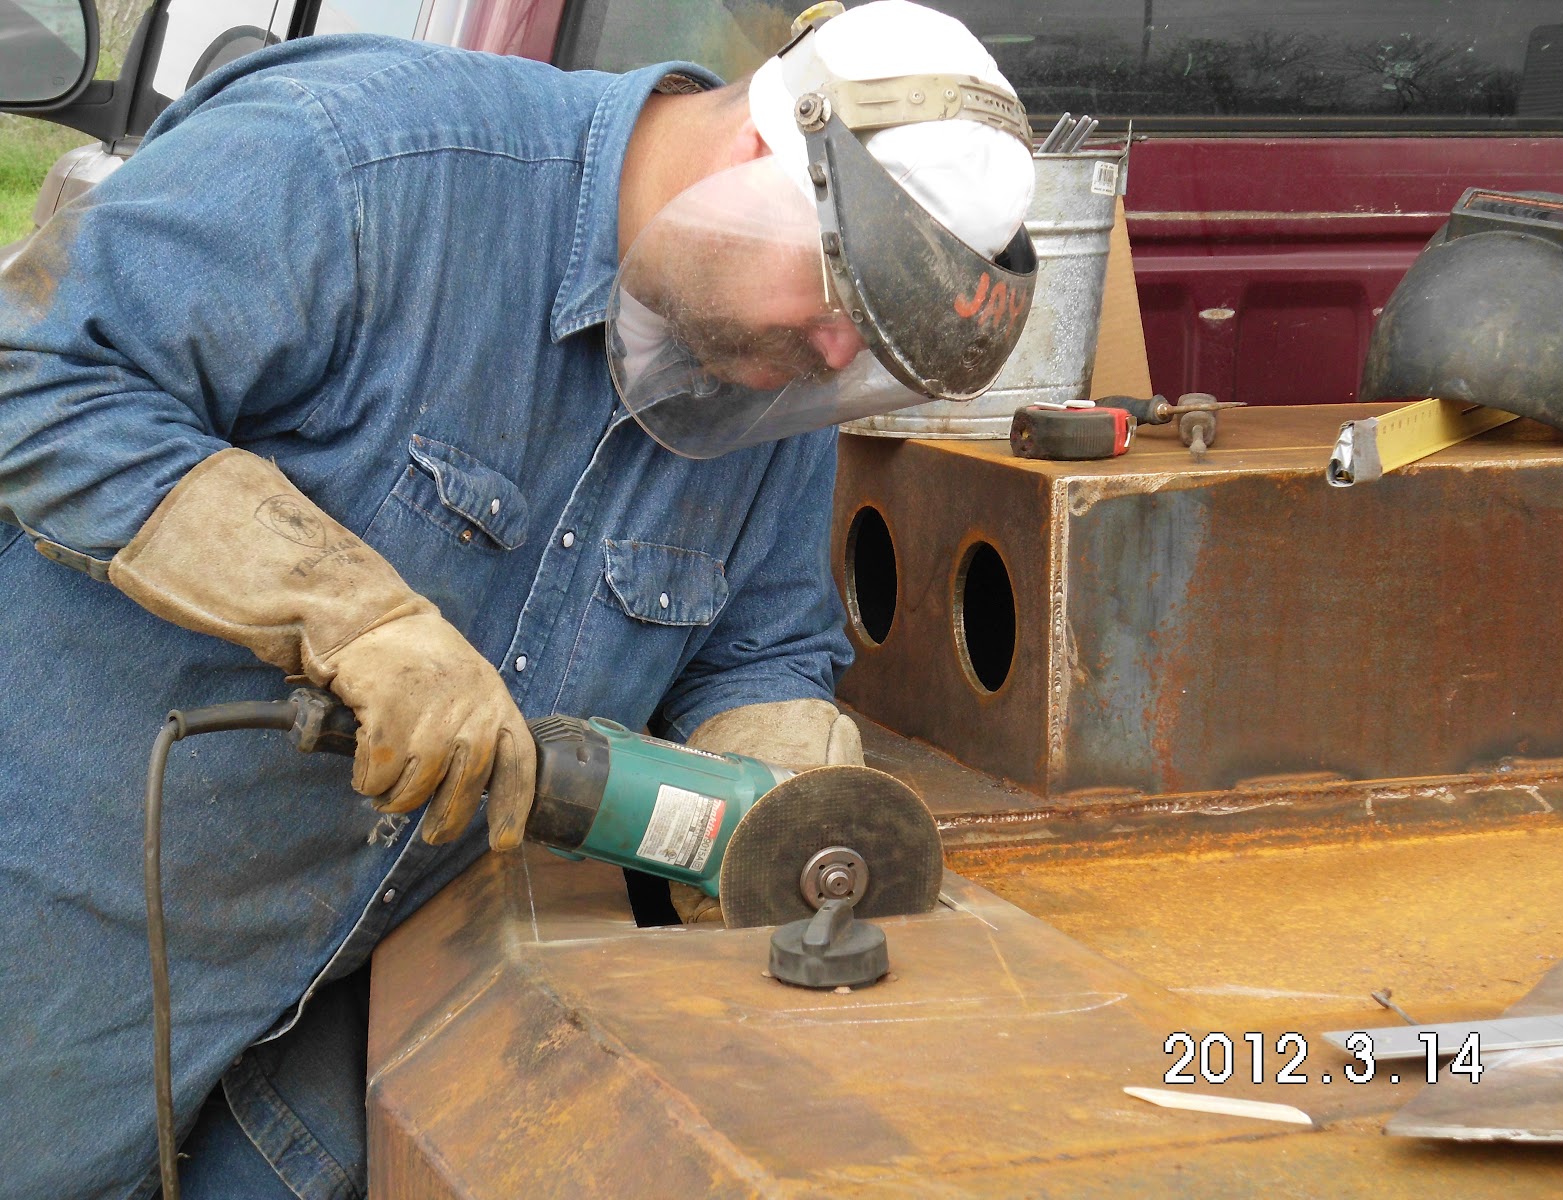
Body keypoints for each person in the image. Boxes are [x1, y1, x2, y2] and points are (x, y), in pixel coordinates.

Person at [0, 1, 1035, 1196]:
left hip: (321, 1059)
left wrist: (778, 768)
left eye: (870, 337)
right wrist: (351, 617)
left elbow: (761, 647)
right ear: (760, 154)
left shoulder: (772, 371)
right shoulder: (364, 160)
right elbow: (41, 370)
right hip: (62, 962)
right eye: (837, 292)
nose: (836, 350)